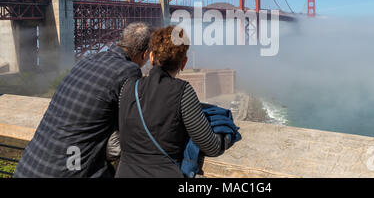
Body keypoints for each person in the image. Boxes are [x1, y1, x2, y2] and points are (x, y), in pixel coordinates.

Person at [14, 22, 152, 178]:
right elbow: (132, 126)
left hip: (28, 167)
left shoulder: (87, 60)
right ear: (145, 53)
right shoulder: (129, 70)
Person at [115, 26, 224, 178]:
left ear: (152, 57)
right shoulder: (183, 92)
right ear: (183, 63)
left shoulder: (127, 87)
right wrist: (224, 135)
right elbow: (211, 147)